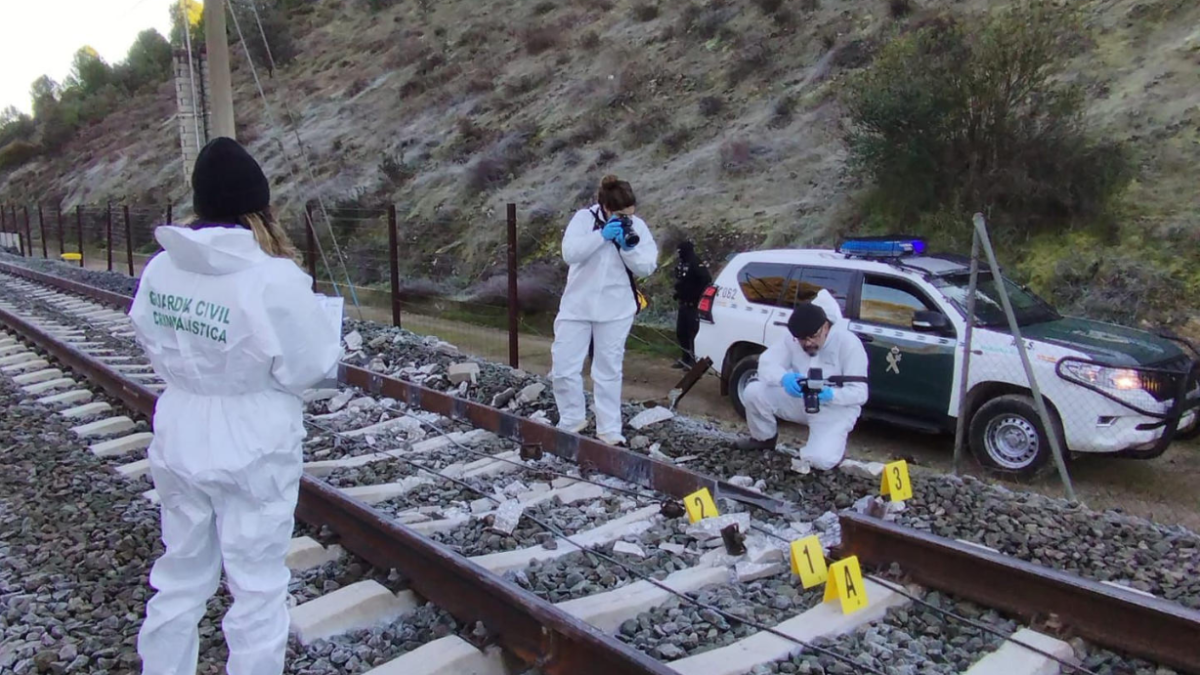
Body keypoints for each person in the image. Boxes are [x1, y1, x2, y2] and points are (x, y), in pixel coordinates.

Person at [129, 137, 342, 675]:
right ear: (259, 207)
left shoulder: (161, 269)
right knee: (257, 586)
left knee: (179, 572)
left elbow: (148, 337)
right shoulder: (274, 277)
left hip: (180, 426)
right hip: (252, 438)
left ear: (199, 203)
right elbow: (310, 367)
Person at [551, 174, 659, 446]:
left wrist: (627, 247)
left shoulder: (638, 226)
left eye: (630, 213)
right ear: (606, 208)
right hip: (577, 305)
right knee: (564, 366)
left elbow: (646, 266)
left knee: (608, 370)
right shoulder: (583, 220)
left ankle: (609, 429)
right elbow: (570, 253)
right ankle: (572, 418)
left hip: (616, 309)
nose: (628, 218)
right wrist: (601, 236)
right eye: (621, 214)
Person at [733, 290, 869, 470]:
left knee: (818, 461)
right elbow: (766, 364)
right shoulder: (794, 339)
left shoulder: (848, 344)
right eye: (802, 340)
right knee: (753, 391)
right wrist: (784, 378)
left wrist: (829, 394)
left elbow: (860, 394)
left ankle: (833, 448)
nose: (807, 344)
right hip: (801, 400)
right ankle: (763, 439)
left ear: (826, 327)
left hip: (834, 409)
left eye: (812, 337)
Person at [672, 240, 712, 369]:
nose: (679, 254)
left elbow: (706, 280)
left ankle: (693, 360)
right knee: (681, 333)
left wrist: (696, 295)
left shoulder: (696, 263)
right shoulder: (683, 263)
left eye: (680, 252)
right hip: (683, 303)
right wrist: (679, 292)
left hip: (693, 305)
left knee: (692, 333)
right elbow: (682, 281)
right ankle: (685, 358)